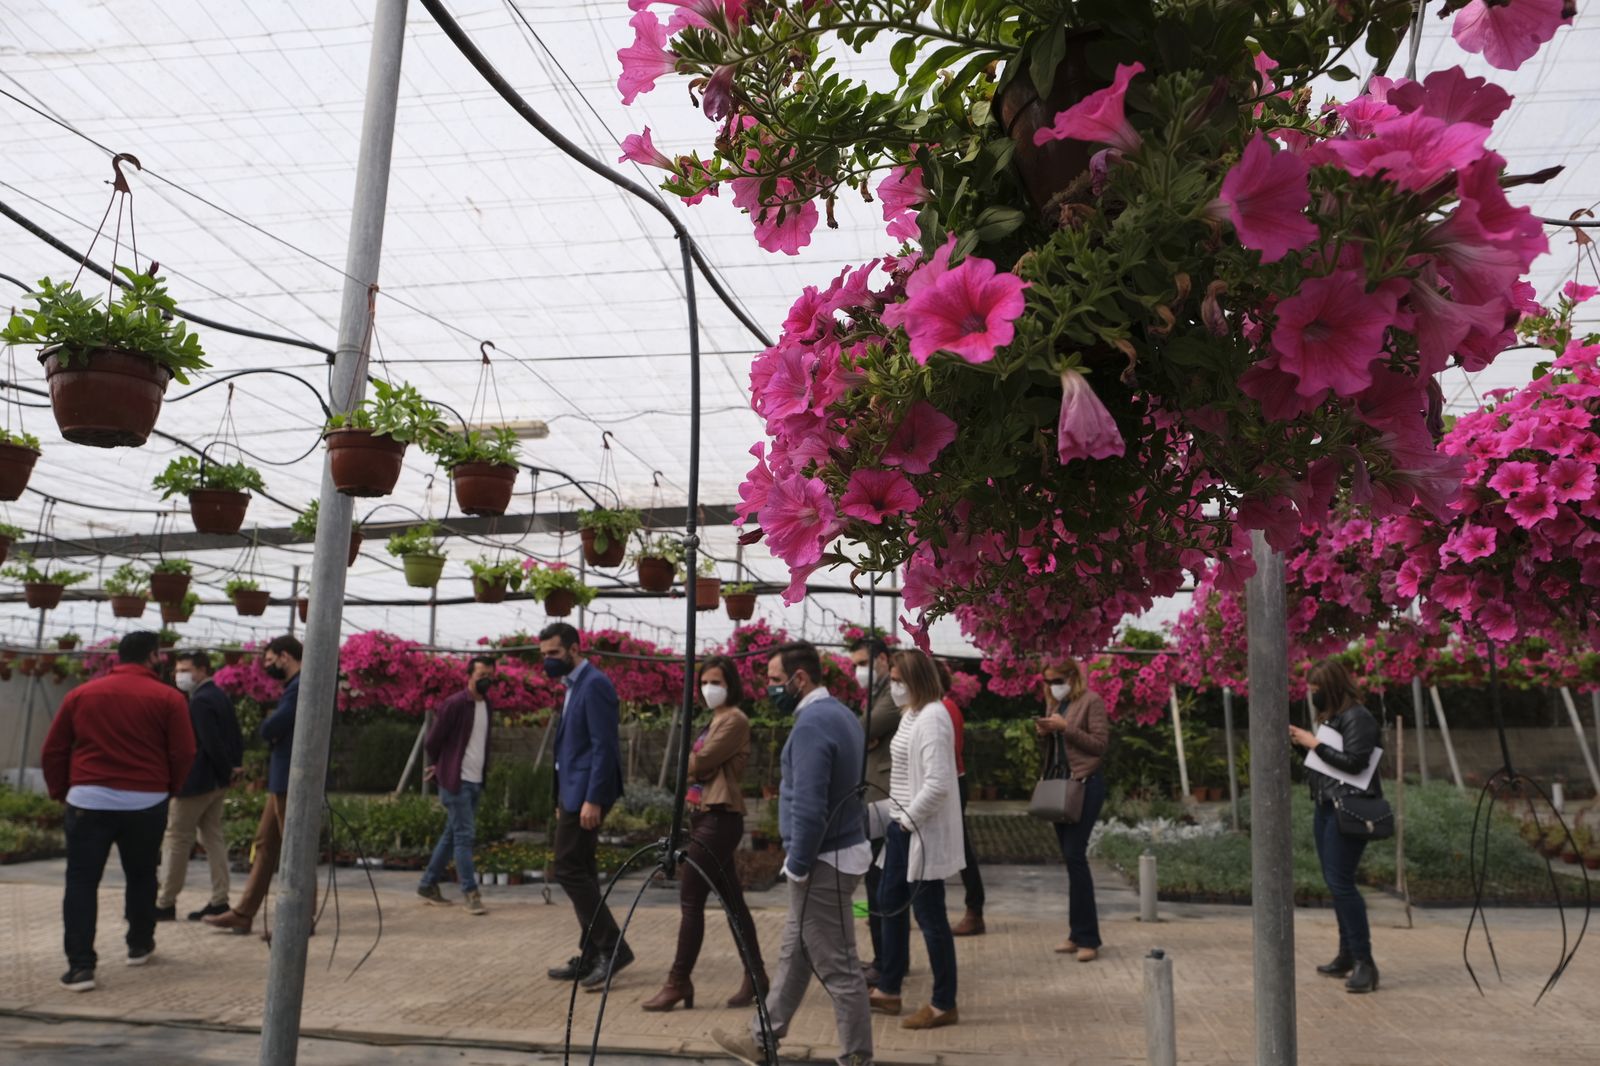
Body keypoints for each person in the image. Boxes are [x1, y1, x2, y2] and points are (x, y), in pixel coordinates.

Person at [713, 641, 872, 1066]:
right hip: (839, 852)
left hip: (823, 861)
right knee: (795, 953)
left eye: (775, 680)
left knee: (839, 968)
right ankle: (761, 1039)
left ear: (800, 679)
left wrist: (798, 865)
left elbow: (810, 806)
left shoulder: (812, 726)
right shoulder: (842, 715)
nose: (769, 688)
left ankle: (857, 1057)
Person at [41, 630, 196, 992]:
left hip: (88, 800)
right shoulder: (169, 698)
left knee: (81, 881)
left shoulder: (82, 694)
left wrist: (62, 791)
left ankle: (81, 967)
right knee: (142, 874)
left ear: (118, 657)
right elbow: (184, 752)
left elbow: (53, 750)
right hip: (145, 801)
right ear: (152, 656)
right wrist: (168, 788)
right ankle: (139, 944)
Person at [643, 656, 768, 1012]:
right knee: (733, 902)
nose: (708, 688)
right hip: (705, 816)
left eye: (716, 682)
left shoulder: (735, 719)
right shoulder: (714, 720)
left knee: (691, 898)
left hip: (719, 817)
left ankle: (678, 981)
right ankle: (756, 976)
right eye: (704, 682)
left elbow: (700, 761)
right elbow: (698, 765)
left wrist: (694, 764)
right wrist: (696, 765)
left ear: (731, 685)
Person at [869, 650, 962, 1030]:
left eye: (898, 680)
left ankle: (944, 1003)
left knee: (930, 917)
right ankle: (889, 989)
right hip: (900, 825)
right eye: (892, 679)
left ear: (916, 680)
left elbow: (938, 783)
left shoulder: (934, 716)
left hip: (916, 829)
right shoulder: (911, 713)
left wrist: (907, 823)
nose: (893, 686)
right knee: (888, 903)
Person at [541, 622, 631, 990]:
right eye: (544, 654)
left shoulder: (594, 684)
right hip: (573, 793)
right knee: (582, 868)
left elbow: (603, 746)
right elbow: (568, 749)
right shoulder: (573, 685)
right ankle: (593, 952)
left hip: (588, 793)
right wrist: (561, 798)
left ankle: (612, 947)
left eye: (554, 653)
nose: (548, 660)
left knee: (567, 868)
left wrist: (592, 798)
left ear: (575, 649)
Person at [1291, 658, 1382, 994]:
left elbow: (1356, 763)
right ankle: (1347, 954)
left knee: (1342, 884)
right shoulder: (1335, 718)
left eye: (1316, 689)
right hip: (1328, 807)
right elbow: (1327, 766)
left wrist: (1314, 744)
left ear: (1330, 688)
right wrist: (1304, 746)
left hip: (1348, 810)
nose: (1312, 695)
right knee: (1335, 882)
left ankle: (1364, 962)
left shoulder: (1358, 717)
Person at [205, 635, 302, 938]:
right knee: (265, 844)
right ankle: (244, 913)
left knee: (296, 849)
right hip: (282, 779)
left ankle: (299, 919)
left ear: (285, 656)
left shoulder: (300, 687)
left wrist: (269, 727)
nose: (268, 666)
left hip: (292, 779)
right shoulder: (293, 687)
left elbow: (274, 725)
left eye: (270, 660)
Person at [156, 651, 243, 923]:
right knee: (212, 837)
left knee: (177, 838)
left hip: (196, 782)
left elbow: (210, 742)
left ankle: (165, 902)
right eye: (178, 670)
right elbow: (234, 735)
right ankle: (220, 899)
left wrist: (225, 769)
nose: (179, 675)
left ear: (203, 670)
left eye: (186, 670)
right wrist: (232, 769)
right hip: (216, 782)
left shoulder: (200, 701)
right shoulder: (219, 696)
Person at [1035, 659, 1109, 963]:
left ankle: (1088, 938)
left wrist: (1067, 729)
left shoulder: (1091, 701)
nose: (1053, 686)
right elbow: (1056, 752)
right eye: (1048, 681)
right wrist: (1044, 733)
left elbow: (1099, 745)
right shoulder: (1055, 704)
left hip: (1085, 785)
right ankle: (1076, 933)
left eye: (1057, 680)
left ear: (1072, 677)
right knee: (1070, 859)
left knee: (1075, 856)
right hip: (1061, 785)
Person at [417, 655, 498, 916]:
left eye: (490, 676)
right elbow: (433, 741)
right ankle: (471, 893)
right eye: (482, 675)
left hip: (475, 780)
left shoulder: (487, 705)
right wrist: (440, 766)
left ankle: (428, 884)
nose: (486, 680)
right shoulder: (454, 704)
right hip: (456, 781)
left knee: (452, 835)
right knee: (464, 836)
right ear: (469, 676)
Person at [848, 636, 898, 983]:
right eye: (855, 665)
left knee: (880, 882)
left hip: (883, 797)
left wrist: (863, 735)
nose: (858, 671)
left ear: (883, 659)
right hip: (873, 798)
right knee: (875, 881)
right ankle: (886, 959)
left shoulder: (891, 693)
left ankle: (886, 963)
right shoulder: (875, 694)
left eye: (863, 663)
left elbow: (859, 728)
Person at [935, 660, 985, 937]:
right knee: (956, 846)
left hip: (950, 782)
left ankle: (974, 909)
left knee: (959, 848)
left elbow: (947, 752)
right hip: (951, 780)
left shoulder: (944, 708)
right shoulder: (942, 707)